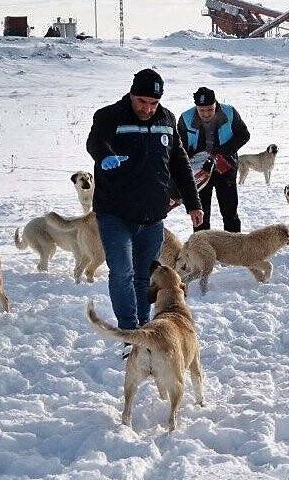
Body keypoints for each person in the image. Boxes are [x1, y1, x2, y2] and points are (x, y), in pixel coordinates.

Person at [87, 69, 203, 335]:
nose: (148, 109)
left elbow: (179, 163)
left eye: (153, 103)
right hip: (115, 214)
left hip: (152, 215)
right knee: (122, 272)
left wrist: (193, 202)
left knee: (144, 275)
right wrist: (104, 155)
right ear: (132, 94)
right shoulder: (109, 116)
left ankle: (144, 330)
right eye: (142, 101)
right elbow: (96, 141)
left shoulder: (167, 119)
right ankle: (129, 331)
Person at [177, 86, 251, 232]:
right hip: (200, 172)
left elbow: (244, 134)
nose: (206, 114)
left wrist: (223, 151)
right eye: (202, 110)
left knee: (230, 213)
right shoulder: (186, 118)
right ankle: (201, 245)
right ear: (196, 107)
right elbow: (180, 148)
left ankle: (234, 244)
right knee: (201, 215)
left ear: (216, 104)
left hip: (225, 168)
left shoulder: (229, 112)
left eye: (210, 109)